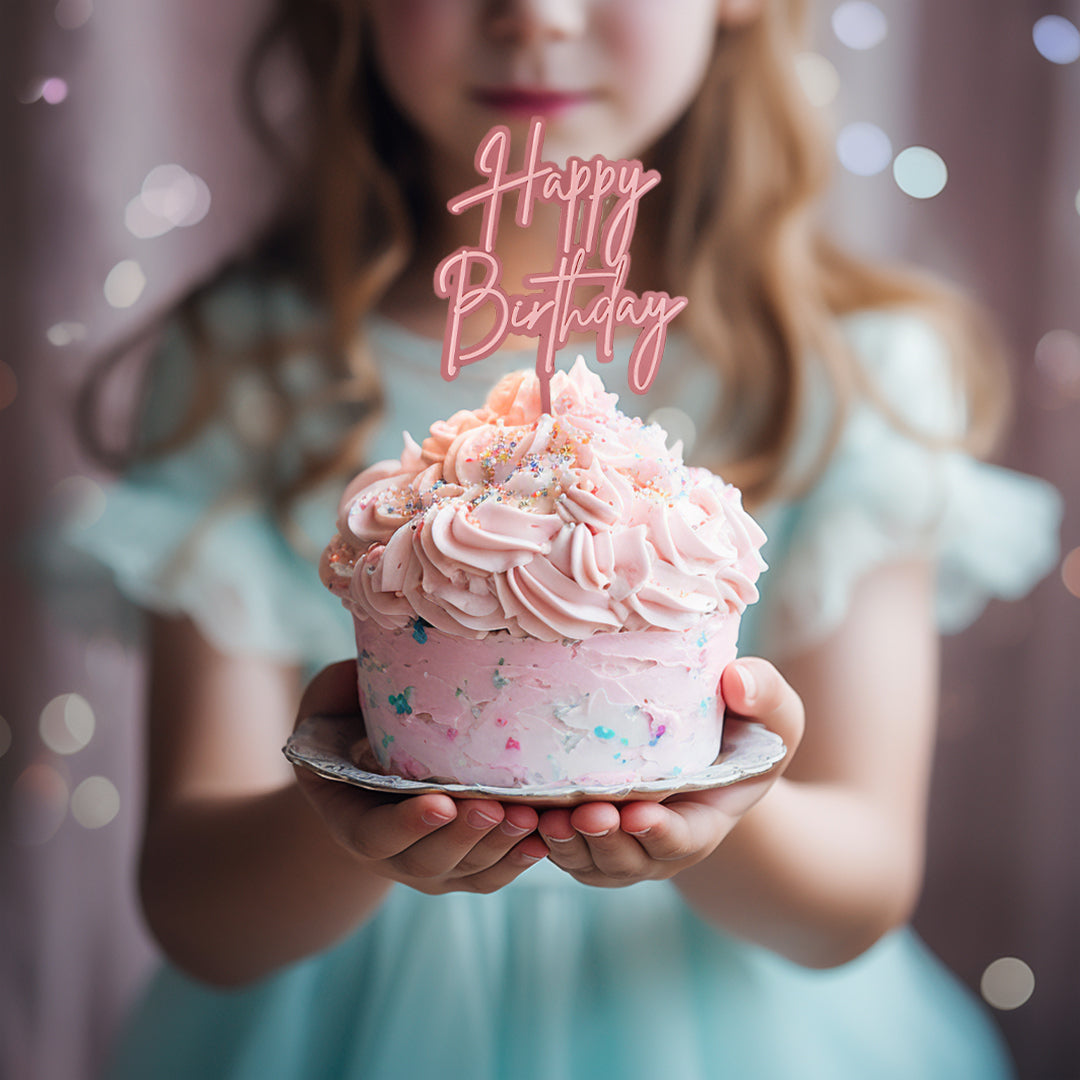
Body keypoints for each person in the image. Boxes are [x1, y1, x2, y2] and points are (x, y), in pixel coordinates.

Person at [73, 1, 1062, 1077]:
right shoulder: (244, 366)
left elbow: (859, 896)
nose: (535, 15)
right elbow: (197, 914)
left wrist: (721, 814)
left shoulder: (854, 370)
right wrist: (346, 816)